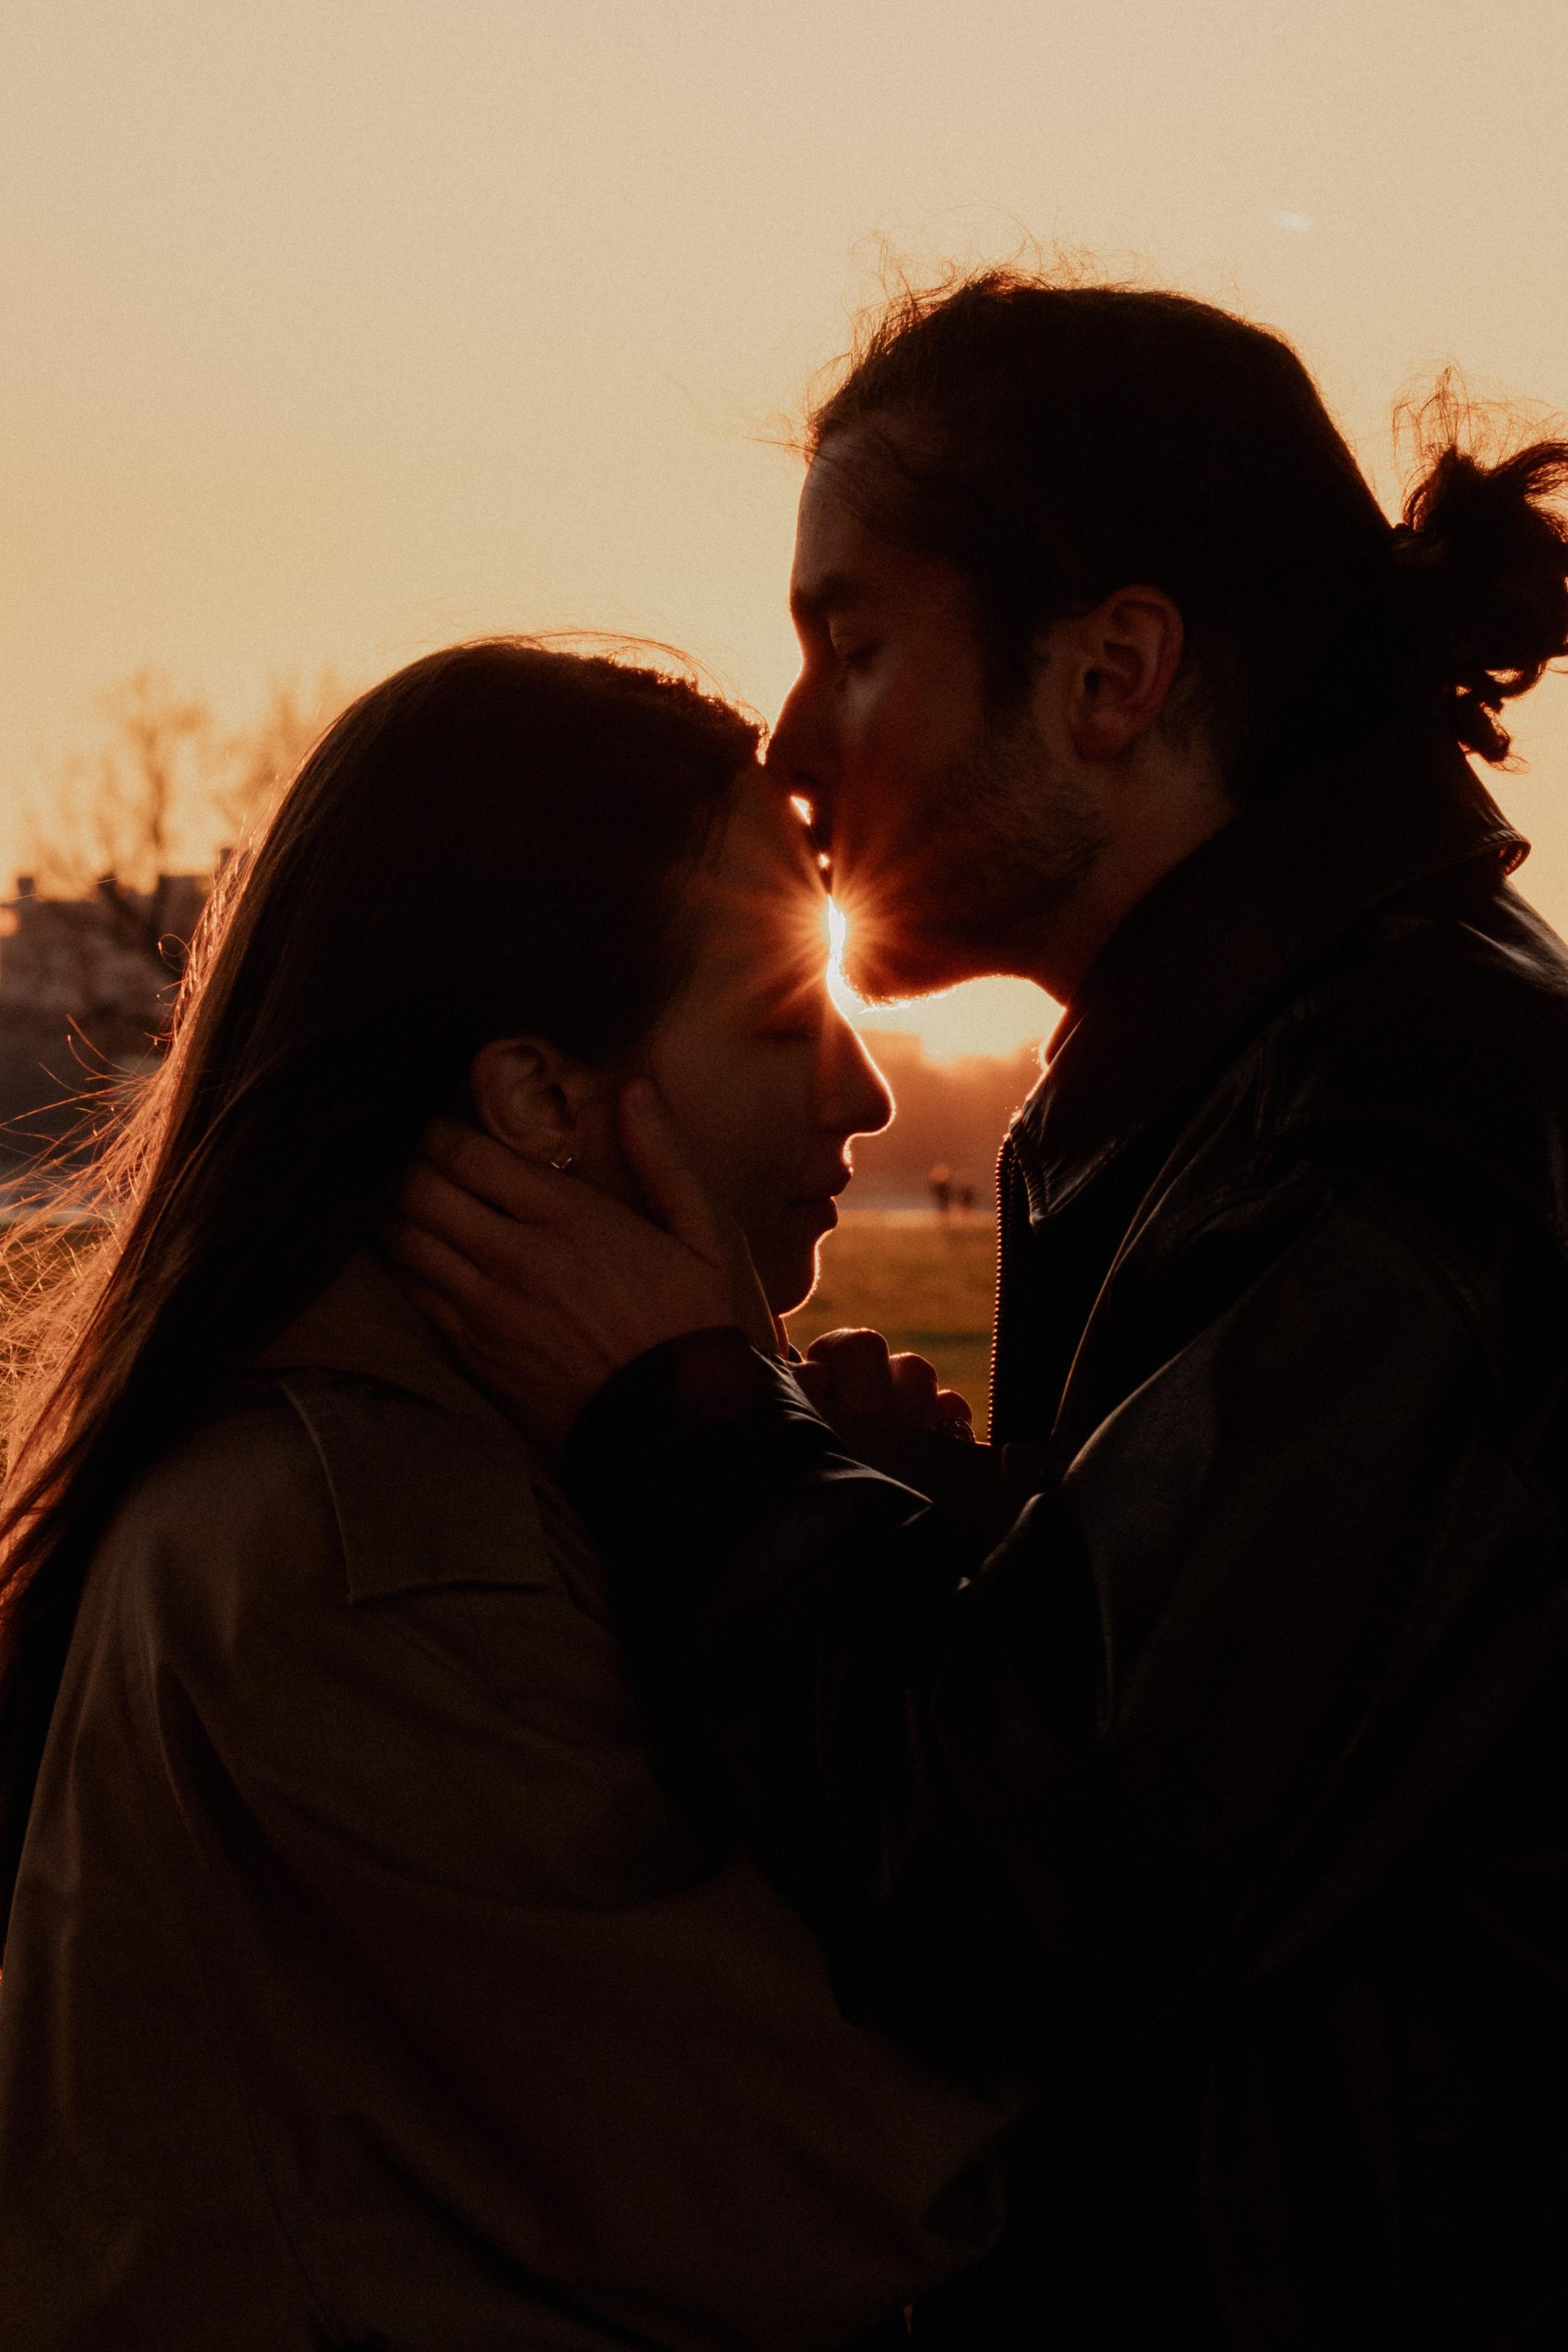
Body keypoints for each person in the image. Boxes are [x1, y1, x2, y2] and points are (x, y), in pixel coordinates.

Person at [389, 278, 1568, 2348]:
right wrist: (937, 1520)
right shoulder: (1266, 1089)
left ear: (1111, 671)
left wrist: (685, 1421)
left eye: (853, 644)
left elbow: (1050, 1878)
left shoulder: (1406, 1143)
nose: (792, 743)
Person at [0, 641, 1023, 2351]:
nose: (864, 1089)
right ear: (539, 1095)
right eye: (787, 1014)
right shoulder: (376, 1555)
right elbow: (838, 2170)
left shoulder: (409, 1470)